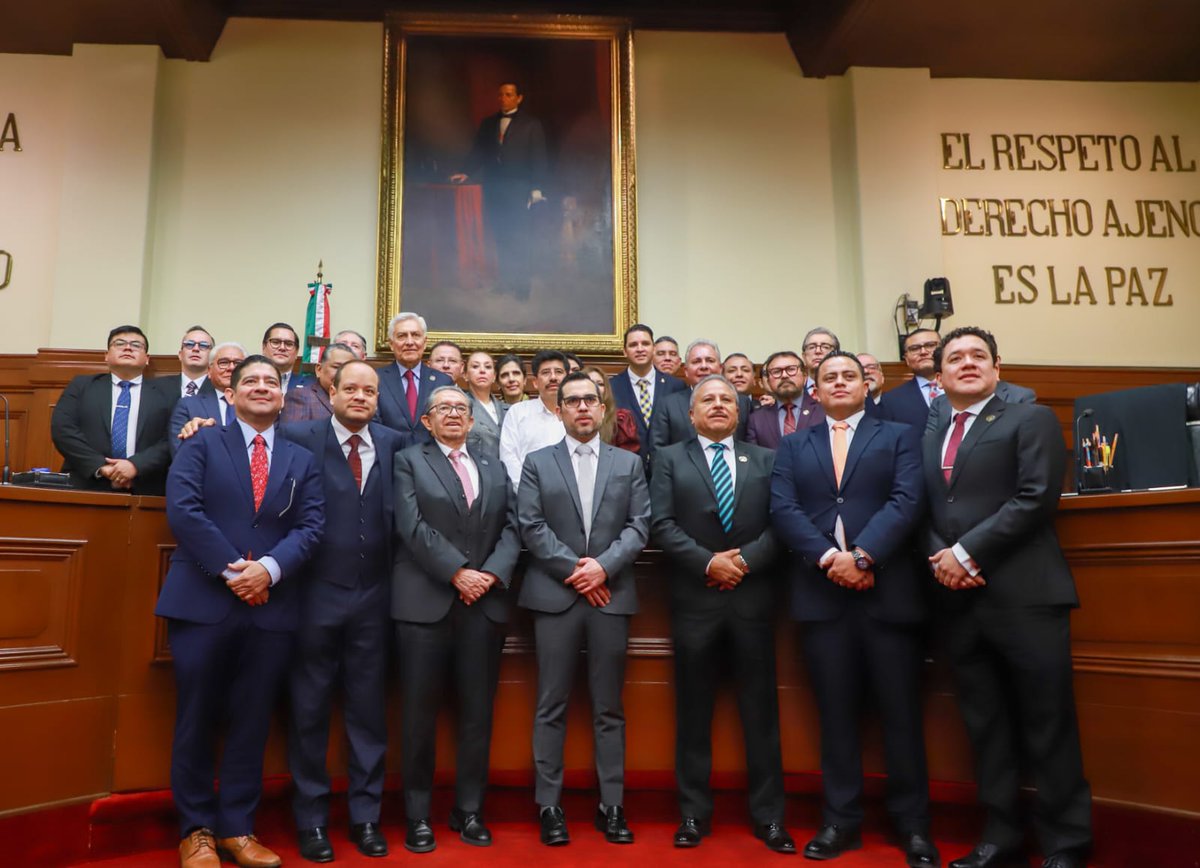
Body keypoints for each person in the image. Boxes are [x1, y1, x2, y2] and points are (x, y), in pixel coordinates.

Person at [923, 327, 1091, 868]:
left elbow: (1036, 496)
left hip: (1026, 596)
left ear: (997, 368)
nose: (967, 363)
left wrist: (966, 553)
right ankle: (1000, 835)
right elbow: (925, 508)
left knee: (1048, 722)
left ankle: (1066, 842)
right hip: (960, 602)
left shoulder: (1030, 418)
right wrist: (940, 557)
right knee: (986, 725)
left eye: (978, 356)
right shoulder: (932, 434)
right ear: (939, 375)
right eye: (956, 358)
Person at [155, 355, 323, 868]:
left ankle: (237, 828)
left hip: (270, 607)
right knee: (197, 718)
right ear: (230, 393)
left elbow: (312, 527)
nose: (261, 387)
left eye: (271, 382)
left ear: (284, 396)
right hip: (204, 602)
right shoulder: (199, 442)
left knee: (252, 721)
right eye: (250, 380)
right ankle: (197, 830)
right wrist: (236, 572)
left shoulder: (301, 459)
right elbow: (183, 511)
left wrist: (268, 570)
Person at [770, 351, 937, 867]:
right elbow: (783, 509)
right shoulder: (794, 445)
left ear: (867, 384)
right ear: (813, 391)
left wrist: (863, 556)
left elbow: (908, 501)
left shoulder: (902, 436)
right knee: (836, 717)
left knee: (901, 716)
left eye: (849, 375)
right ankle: (840, 822)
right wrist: (830, 559)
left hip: (888, 594)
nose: (839, 382)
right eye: (828, 377)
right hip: (824, 598)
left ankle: (913, 827)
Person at [649, 375, 793, 854]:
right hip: (696, 601)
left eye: (726, 399)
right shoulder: (669, 459)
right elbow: (661, 524)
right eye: (706, 400)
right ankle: (692, 814)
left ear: (740, 411)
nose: (716, 405)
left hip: (752, 601)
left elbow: (782, 522)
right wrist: (709, 562)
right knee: (693, 713)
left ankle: (770, 818)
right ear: (690, 415)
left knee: (761, 714)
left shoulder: (769, 460)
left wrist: (743, 562)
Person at [516, 372, 650, 847]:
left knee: (609, 708)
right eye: (571, 401)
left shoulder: (627, 464)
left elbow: (639, 527)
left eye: (589, 400)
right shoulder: (537, 462)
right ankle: (549, 807)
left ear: (602, 407)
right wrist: (579, 571)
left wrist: (604, 569)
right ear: (559, 409)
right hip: (555, 597)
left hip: (610, 597)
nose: (581, 408)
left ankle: (611, 806)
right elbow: (529, 526)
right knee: (550, 705)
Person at [280, 360, 401, 863]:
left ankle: (365, 817)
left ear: (377, 398)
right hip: (313, 595)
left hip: (376, 597)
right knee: (308, 711)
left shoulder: (397, 443)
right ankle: (311, 821)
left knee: (368, 714)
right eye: (349, 388)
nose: (358, 397)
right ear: (331, 391)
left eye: (368, 391)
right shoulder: (299, 437)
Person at [392, 385, 522, 853]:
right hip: (425, 605)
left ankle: (469, 811)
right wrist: (457, 572)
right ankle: (418, 815)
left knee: (476, 716)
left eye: (461, 410)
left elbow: (513, 526)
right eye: (443, 409)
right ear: (426, 421)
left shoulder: (493, 465)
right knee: (419, 718)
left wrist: (488, 575)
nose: (453, 415)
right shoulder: (409, 461)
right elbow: (410, 525)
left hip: (482, 606)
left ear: (472, 421)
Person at [449, 81, 548, 300]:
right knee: (501, 236)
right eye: (501, 94)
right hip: (494, 189)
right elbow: (478, 151)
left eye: (509, 94)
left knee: (520, 238)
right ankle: (505, 282)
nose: (503, 98)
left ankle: (522, 287)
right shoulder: (488, 123)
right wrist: (466, 171)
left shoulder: (532, 124)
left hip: (520, 189)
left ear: (519, 98)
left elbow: (538, 157)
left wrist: (536, 188)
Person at [50, 325, 174, 495]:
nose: (128, 347)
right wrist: (101, 466)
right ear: (106, 355)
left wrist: (135, 465)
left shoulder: (166, 394)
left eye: (136, 345)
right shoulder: (81, 386)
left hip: (145, 488)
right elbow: (63, 429)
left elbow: (171, 439)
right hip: (86, 485)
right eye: (119, 343)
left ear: (147, 358)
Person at [650, 340, 753, 452]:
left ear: (720, 368)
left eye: (710, 360)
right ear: (686, 371)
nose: (704, 366)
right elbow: (658, 451)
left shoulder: (743, 402)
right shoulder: (668, 405)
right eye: (696, 361)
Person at [608, 324, 687, 466]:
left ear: (654, 349)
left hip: (667, 468)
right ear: (625, 352)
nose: (640, 349)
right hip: (626, 468)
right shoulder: (611, 387)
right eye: (633, 345)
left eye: (645, 344)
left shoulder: (676, 386)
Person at [376, 313, 453, 448]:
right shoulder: (376, 379)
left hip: (432, 461)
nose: (410, 342)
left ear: (424, 342)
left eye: (415, 335)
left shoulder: (443, 381)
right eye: (402, 336)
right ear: (391, 344)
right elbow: (373, 424)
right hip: (389, 458)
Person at [498, 350, 568, 490]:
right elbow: (509, 459)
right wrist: (528, 494)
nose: (553, 377)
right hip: (528, 498)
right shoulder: (518, 412)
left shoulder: (577, 413)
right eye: (546, 372)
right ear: (535, 382)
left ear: (568, 378)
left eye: (559, 372)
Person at [169, 342, 246, 455]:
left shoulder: (259, 404)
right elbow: (179, 451)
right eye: (223, 363)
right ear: (209, 371)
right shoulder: (188, 405)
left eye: (238, 364)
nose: (231, 368)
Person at [746, 350, 817, 449]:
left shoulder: (823, 412)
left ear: (805, 376)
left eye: (791, 369)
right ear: (769, 381)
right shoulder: (756, 419)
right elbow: (755, 460)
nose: (784, 376)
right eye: (776, 372)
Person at [878, 329, 943, 430]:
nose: (923, 352)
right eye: (914, 348)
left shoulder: (964, 388)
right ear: (907, 359)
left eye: (930, 345)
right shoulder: (891, 401)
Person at [279, 342, 357, 424]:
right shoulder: (299, 397)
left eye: (348, 368)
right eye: (336, 367)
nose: (342, 373)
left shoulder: (358, 399)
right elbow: (291, 435)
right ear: (319, 370)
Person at [582, 366, 639, 453]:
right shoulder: (572, 416)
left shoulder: (621, 418)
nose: (595, 387)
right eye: (590, 382)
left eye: (600, 384)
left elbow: (627, 459)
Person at [463, 350, 508, 459]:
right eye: (475, 366)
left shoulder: (508, 409)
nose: (482, 371)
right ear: (465, 375)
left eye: (488, 367)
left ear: (494, 376)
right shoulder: (461, 408)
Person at [163, 326, 215, 399]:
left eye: (203, 345)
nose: (196, 349)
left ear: (212, 357)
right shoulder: (159, 387)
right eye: (189, 344)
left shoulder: (219, 389)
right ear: (180, 355)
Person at [261, 323, 308, 394]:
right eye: (275, 342)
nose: (282, 348)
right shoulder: (248, 382)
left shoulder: (310, 385)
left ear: (296, 352)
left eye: (289, 344)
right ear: (264, 347)